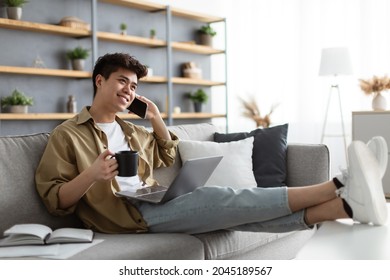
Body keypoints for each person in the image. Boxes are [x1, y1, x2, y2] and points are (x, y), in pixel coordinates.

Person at [35, 53, 388, 235]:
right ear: (99, 81)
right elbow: (56, 201)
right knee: (215, 197)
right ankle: (340, 184)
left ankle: (350, 209)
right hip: (122, 219)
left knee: (235, 216)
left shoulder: (132, 132)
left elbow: (168, 153)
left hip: (151, 201)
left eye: (134, 87)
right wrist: (94, 175)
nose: (129, 91)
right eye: (122, 82)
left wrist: (155, 117)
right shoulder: (68, 134)